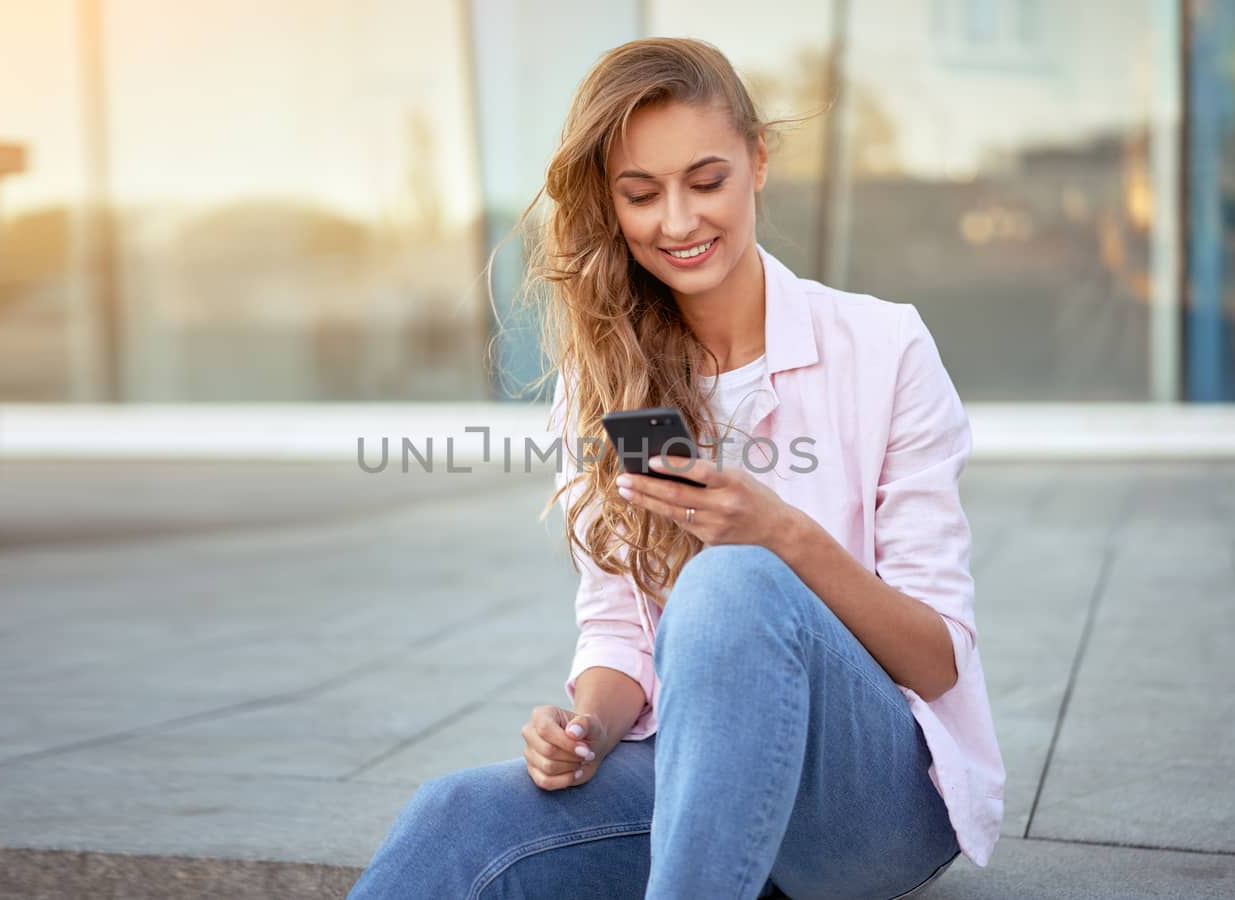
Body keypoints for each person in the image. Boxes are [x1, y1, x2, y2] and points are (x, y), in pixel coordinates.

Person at [348, 36, 1004, 900]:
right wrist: (585, 726)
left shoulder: (884, 348)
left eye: (707, 181)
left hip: (870, 810)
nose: (679, 222)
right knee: (455, 817)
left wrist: (779, 536)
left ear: (757, 161)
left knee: (733, 585)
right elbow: (619, 628)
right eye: (642, 194)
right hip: (697, 778)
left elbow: (936, 662)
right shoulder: (605, 377)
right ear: (610, 205)